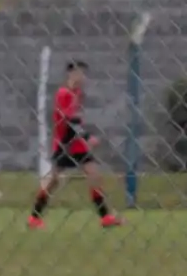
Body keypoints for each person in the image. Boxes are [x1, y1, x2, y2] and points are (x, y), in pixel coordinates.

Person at [28, 61, 122, 229]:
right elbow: (68, 120)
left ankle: (105, 217)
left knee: (93, 174)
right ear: (71, 74)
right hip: (65, 142)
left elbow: (76, 119)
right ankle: (34, 217)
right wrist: (87, 136)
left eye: (84, 74)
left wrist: (84, 137)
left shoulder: (77, 93)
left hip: (78, 143)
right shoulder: (63, 93)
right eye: (80, 73)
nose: (83, 77)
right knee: (54, 180)